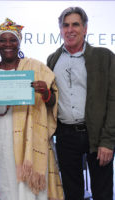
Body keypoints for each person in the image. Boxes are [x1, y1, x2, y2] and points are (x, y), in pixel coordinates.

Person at [0, 18, 64, 200]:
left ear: (19, 42)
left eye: (12, 39)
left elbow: (53, 101)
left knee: (31, 191)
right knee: (7, 189)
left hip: (30, 142)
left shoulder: (35, 69)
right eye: (2, 40)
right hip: (0, 142)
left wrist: (46, 93)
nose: (7, 44)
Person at [47, 7, 115, 200]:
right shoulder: (53, 59)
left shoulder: (104, 57)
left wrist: (108, 141)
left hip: (97, 136)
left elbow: (113, 100)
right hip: (65, 135)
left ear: (85, 29)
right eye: (65, 25)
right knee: (71, 193)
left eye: (75, 24)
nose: (70, 29)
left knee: (102, 193)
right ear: (60, 30)